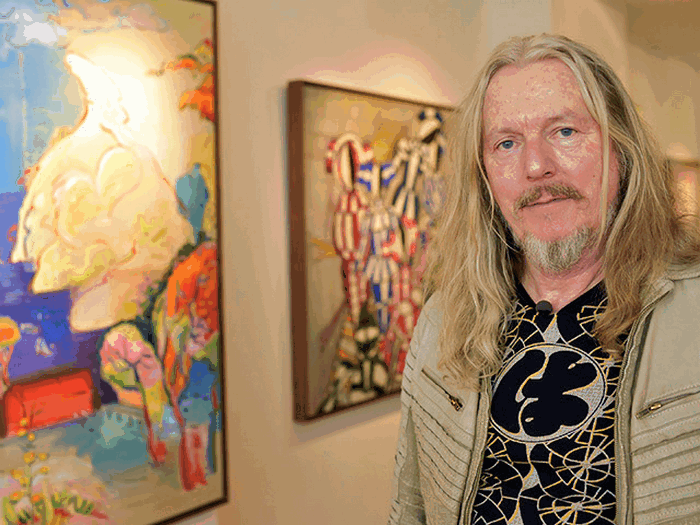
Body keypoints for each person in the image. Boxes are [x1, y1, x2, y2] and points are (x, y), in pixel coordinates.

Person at [388, 34, 700, 525]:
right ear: (484, 176)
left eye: (565, 132)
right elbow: (411, 510)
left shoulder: (691, 312)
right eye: (506, 143)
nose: (536, 166)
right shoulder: (442, 322)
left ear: (621, 149)